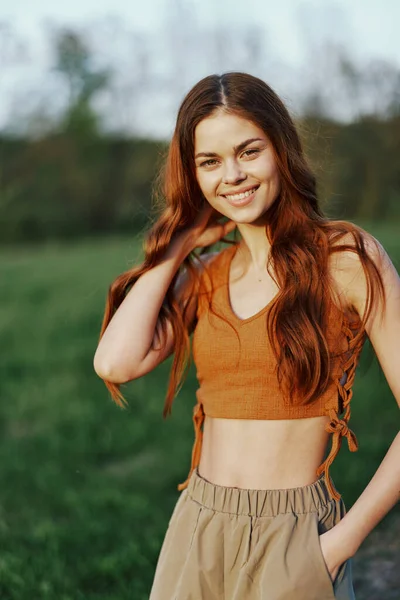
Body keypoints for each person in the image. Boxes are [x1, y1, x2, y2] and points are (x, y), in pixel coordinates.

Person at [93, 72, 400, 600]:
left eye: (248, 151)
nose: (231, 175)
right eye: (209, 162)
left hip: (295, 536)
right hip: (197, 524)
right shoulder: (202, 275)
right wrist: (180, 239)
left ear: (281, 149)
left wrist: (337, 546)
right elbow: (115, 363)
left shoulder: (346, 259)